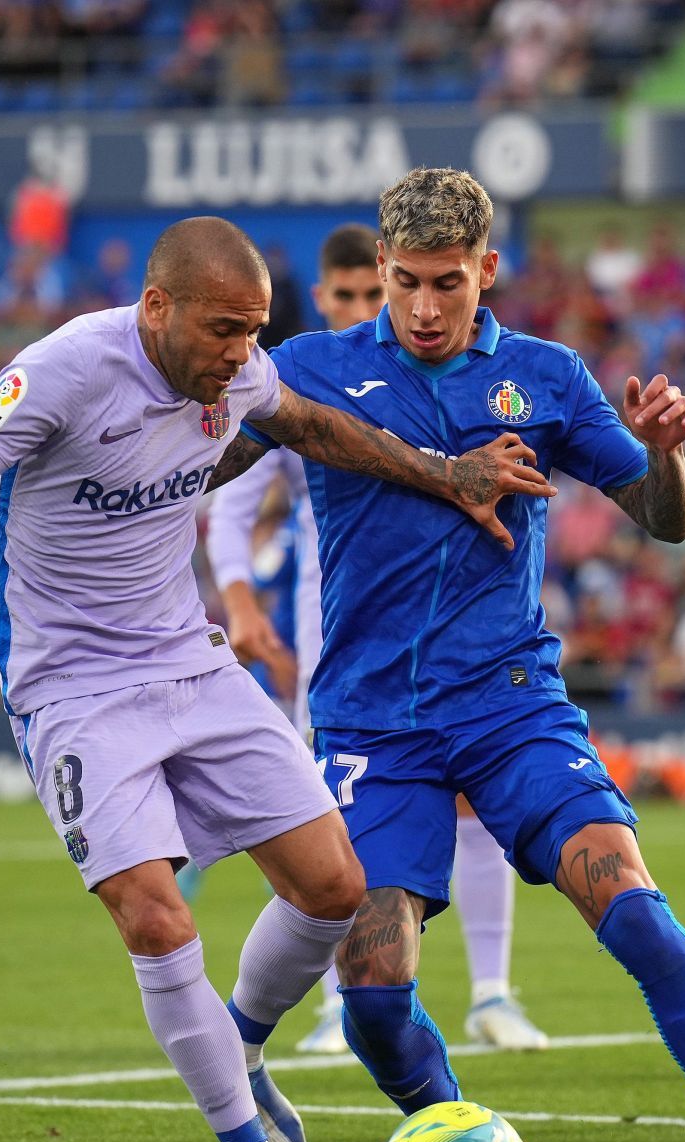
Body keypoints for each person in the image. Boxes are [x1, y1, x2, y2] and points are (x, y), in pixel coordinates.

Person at [0, 216, 560, 1142]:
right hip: (73, 689)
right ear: (157, 308)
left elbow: (320, 429)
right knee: (154, 915)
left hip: (189, 656)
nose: (242, 353)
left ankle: (240, 1045)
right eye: (226, 330)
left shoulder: (237, 376)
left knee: (334, 883)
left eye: (255, 331)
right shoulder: (63, 370)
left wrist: (445, 473)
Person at [223, 168, 685, 1142]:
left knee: (632, 906)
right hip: (371, 722)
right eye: (402, 282)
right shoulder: (311, 369)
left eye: (445, 283)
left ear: (486, 271)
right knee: (372, 996)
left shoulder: (547, 378)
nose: (420, 307)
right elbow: (190, 461)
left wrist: (668, 457)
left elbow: (664, 517)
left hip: (511, 705)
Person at [206, 223, 546, 1055]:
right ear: (328, 299)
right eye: (357, 294)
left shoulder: (450, 375)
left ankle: (494, 991)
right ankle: (328, 1002)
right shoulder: (303, 378)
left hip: (450, 638)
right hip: (337, 645)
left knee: (468, 801)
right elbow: (229, 503)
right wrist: (242, 603)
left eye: (377, 290)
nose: (380, 307)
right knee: (329, 829)